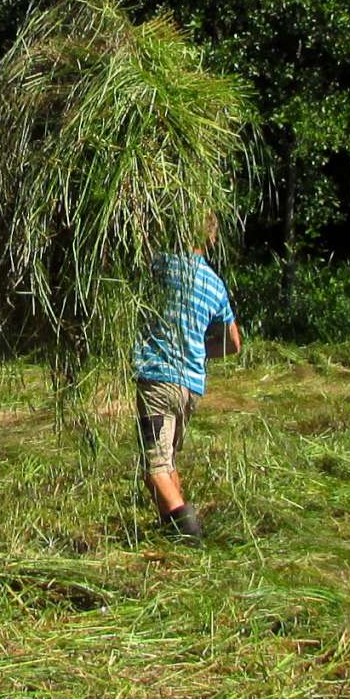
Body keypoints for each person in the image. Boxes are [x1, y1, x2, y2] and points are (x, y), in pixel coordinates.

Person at [132, 220, 240, 546]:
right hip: (190, 388)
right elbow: (233, 343)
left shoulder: (160, 265)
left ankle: (189, 537)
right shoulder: (214, 283)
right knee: (169, 461)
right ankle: (171, 531)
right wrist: (198, 349)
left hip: (158, 383)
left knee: (155, 468)